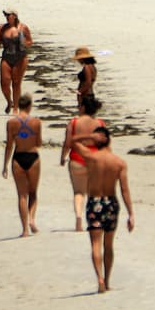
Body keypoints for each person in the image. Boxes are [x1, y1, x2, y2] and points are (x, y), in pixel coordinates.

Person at [71, 125, 135, 293]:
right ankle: (106, 281)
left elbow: (72, 141)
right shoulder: (119, 163)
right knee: (108, 245)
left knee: (95, 244)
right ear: (109, 140)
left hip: (95, 202)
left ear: (97, 141)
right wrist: (131, 214)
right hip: (111, 203)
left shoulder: (91, 158)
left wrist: (89, 136)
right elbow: (125, 190)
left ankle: (99, 278)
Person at [61, 94, 105, 231]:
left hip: (76, 159)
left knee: (79, 192)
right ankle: (95, 219)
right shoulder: (100, 124)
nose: (78, 108)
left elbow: (67, 143)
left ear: (84, 107)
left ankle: (79, 218)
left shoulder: (73, 123)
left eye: (79, 105)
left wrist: (63, 157)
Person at [2, 93, 43, 237]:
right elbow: (38, 143)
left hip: (18, 158)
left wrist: (5, 165)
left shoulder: (11, 123)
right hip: (32, 156)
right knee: (33, 192)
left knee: (22, 195)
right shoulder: (36, 122)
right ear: (30, 106)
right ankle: (32, 219)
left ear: (19, 105)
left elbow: (9, 145)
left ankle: (25, 229)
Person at [0, 8, 32, 113]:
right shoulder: (2, 28)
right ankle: (9, 101)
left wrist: (24, 44)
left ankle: (15, 108)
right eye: (6, 15)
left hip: (20, 57)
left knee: (16, 83)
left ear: (14, 16)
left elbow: (30, 41)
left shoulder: (23, 27)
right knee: (4, 83)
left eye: (9, 15)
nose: (7, 17)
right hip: (7, 56)